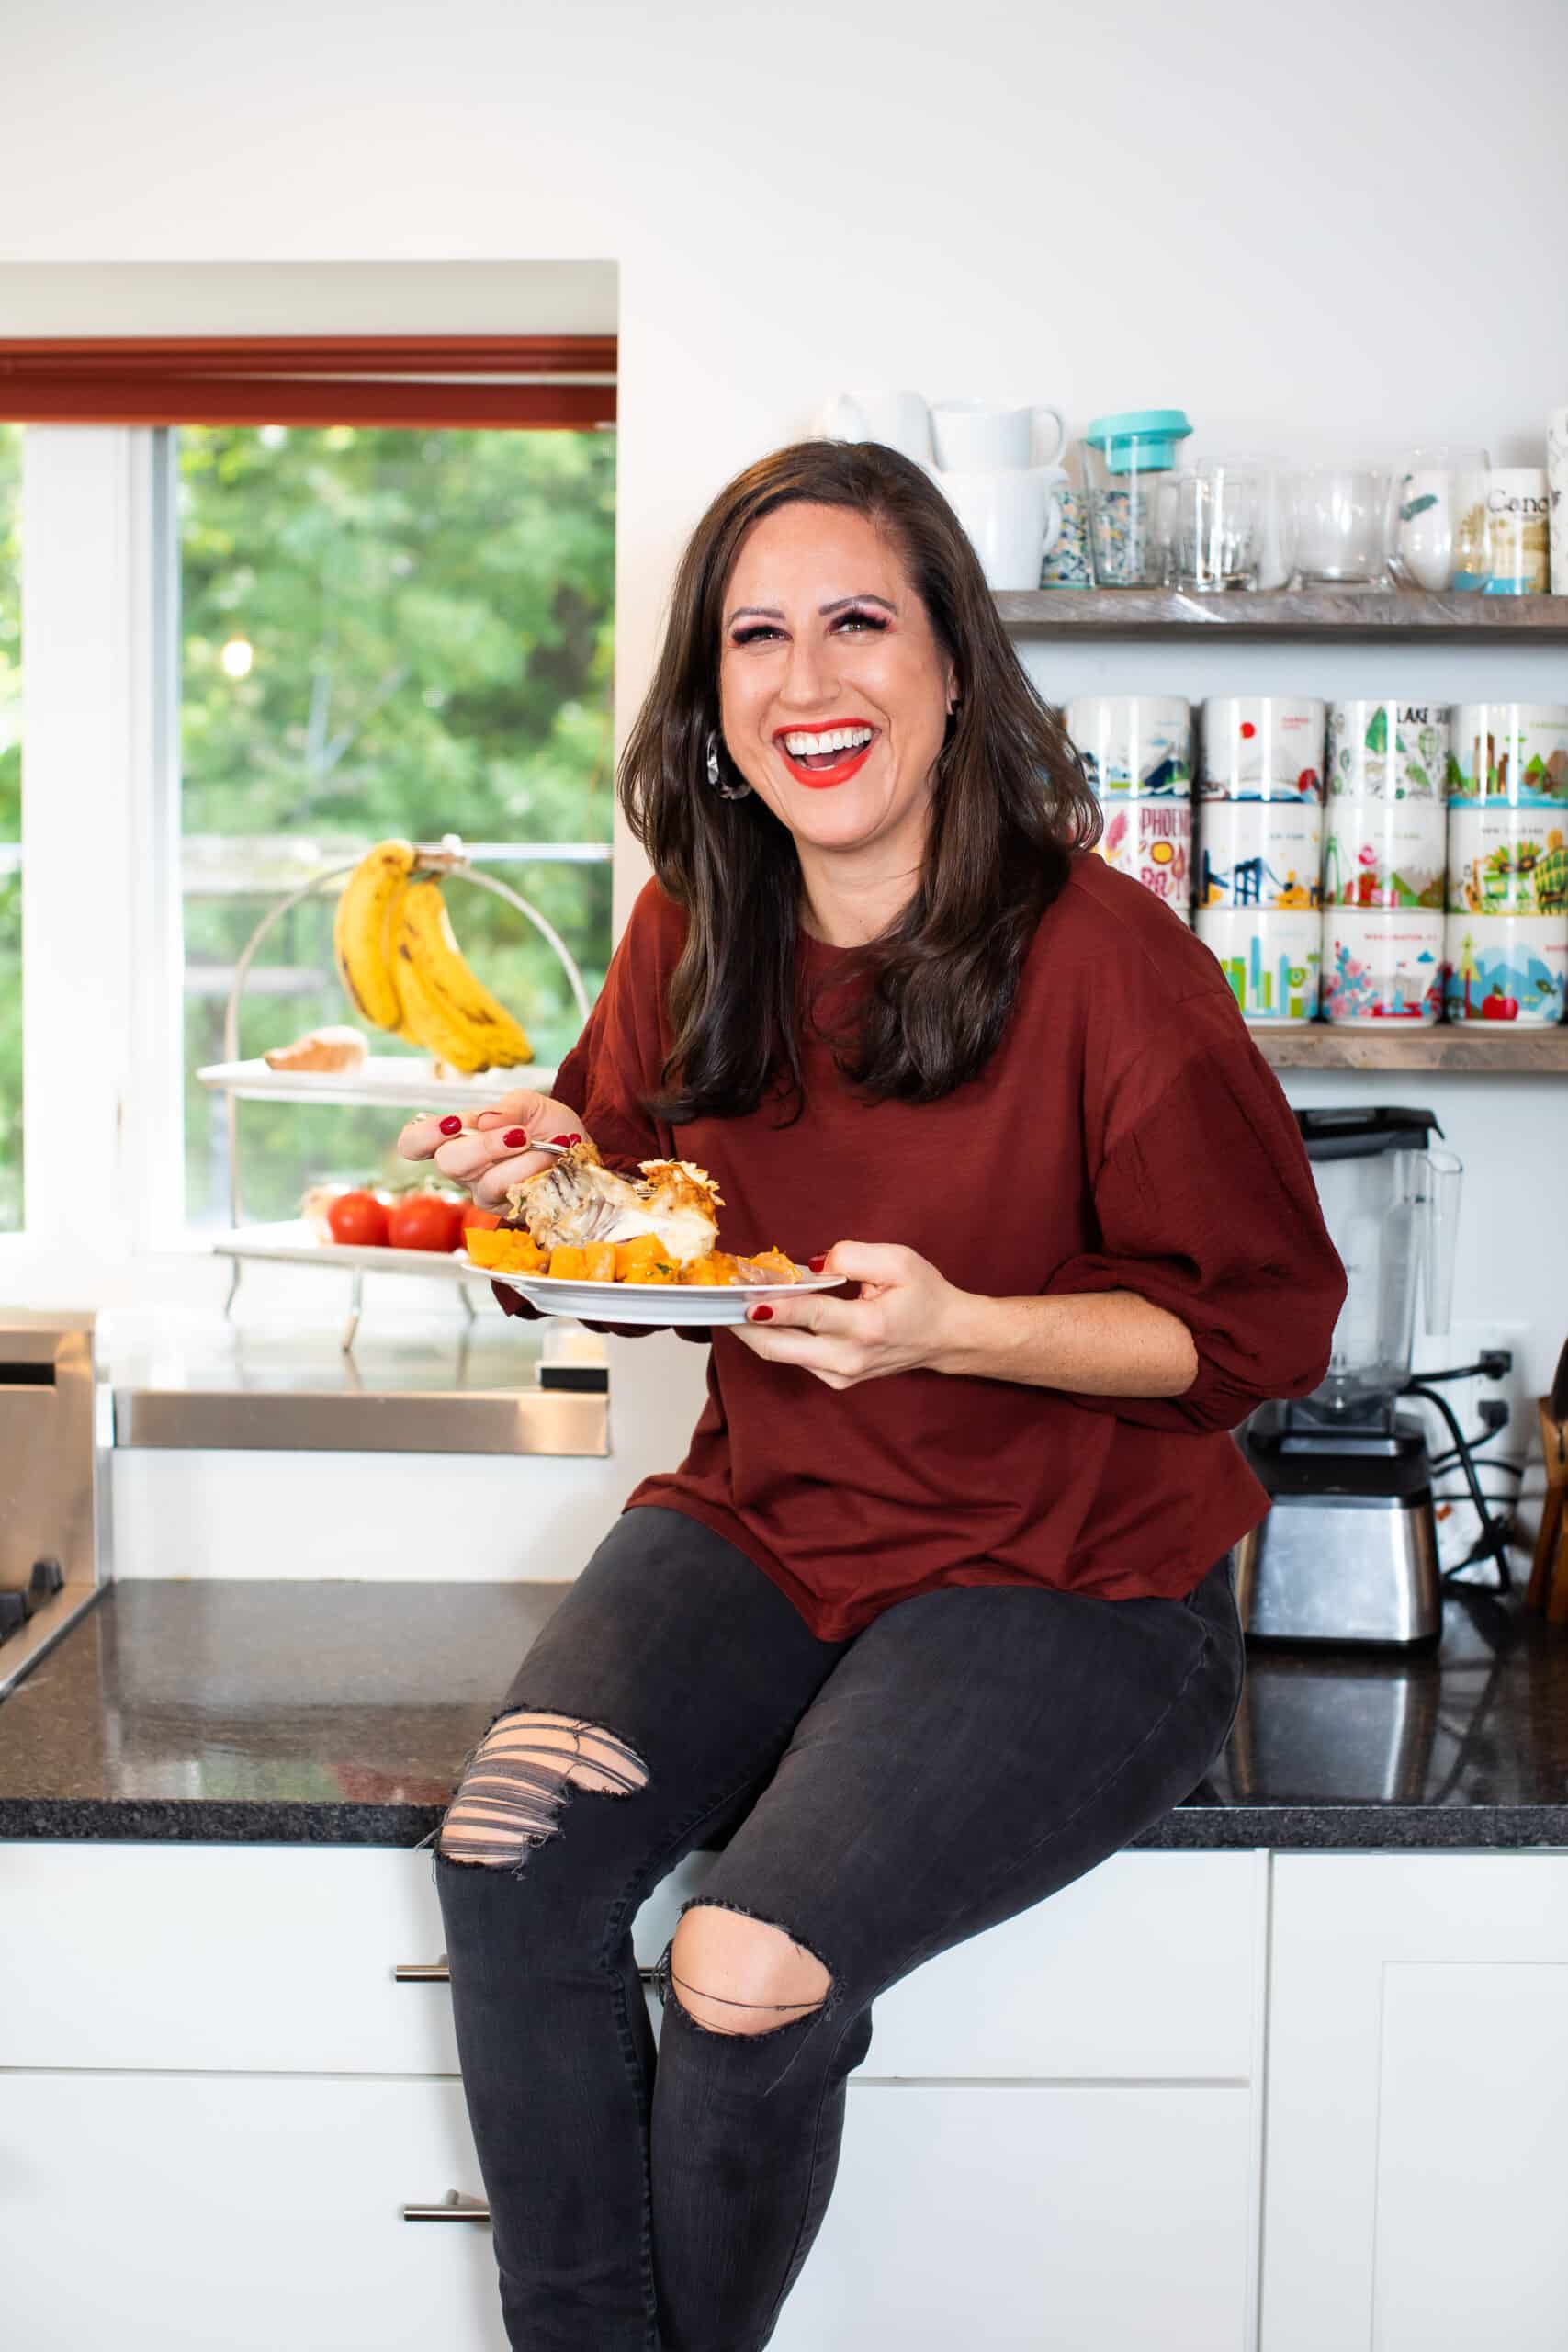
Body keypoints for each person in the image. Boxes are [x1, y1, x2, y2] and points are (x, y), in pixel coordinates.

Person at [397, 438, 1346, 2352]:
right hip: (774, 1525)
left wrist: (960, 1326)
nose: (806, 681)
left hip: (1072, 1580)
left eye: (856, 623)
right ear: (710, 689)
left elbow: (1254, 1336)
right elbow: (624, 1237)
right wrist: (530, 1177)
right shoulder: (694, 929)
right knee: (502, 1853)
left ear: (952, 667)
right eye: (756, 635)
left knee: (740, 1964)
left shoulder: (1109, 963)